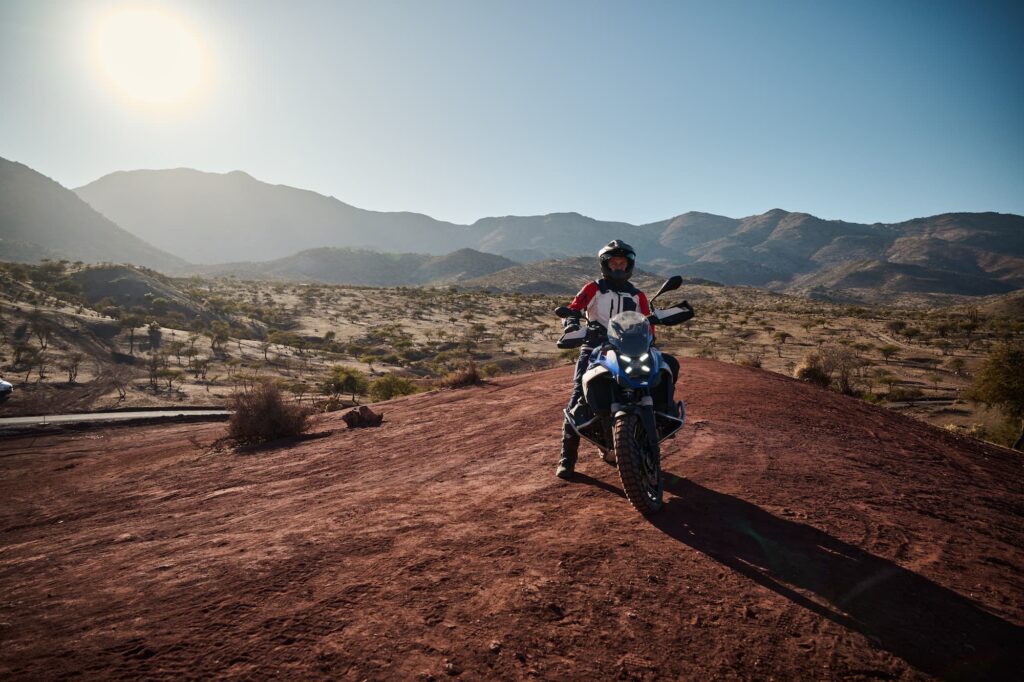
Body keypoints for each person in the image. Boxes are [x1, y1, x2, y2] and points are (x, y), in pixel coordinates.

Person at [556, 240, 679, 479]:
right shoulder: (592, 288)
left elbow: (646, 320)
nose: (618, 267)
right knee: (578, 397)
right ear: (605, 265)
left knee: (667, 365)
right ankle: (567, 459)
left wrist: (649, 338)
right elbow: (574, 308)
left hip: (630, 346)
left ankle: (664, 412)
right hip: (596, 345)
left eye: (622, 263)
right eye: (614, 262)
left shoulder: (638, 294)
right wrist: (572, 323)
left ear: (629, 265)